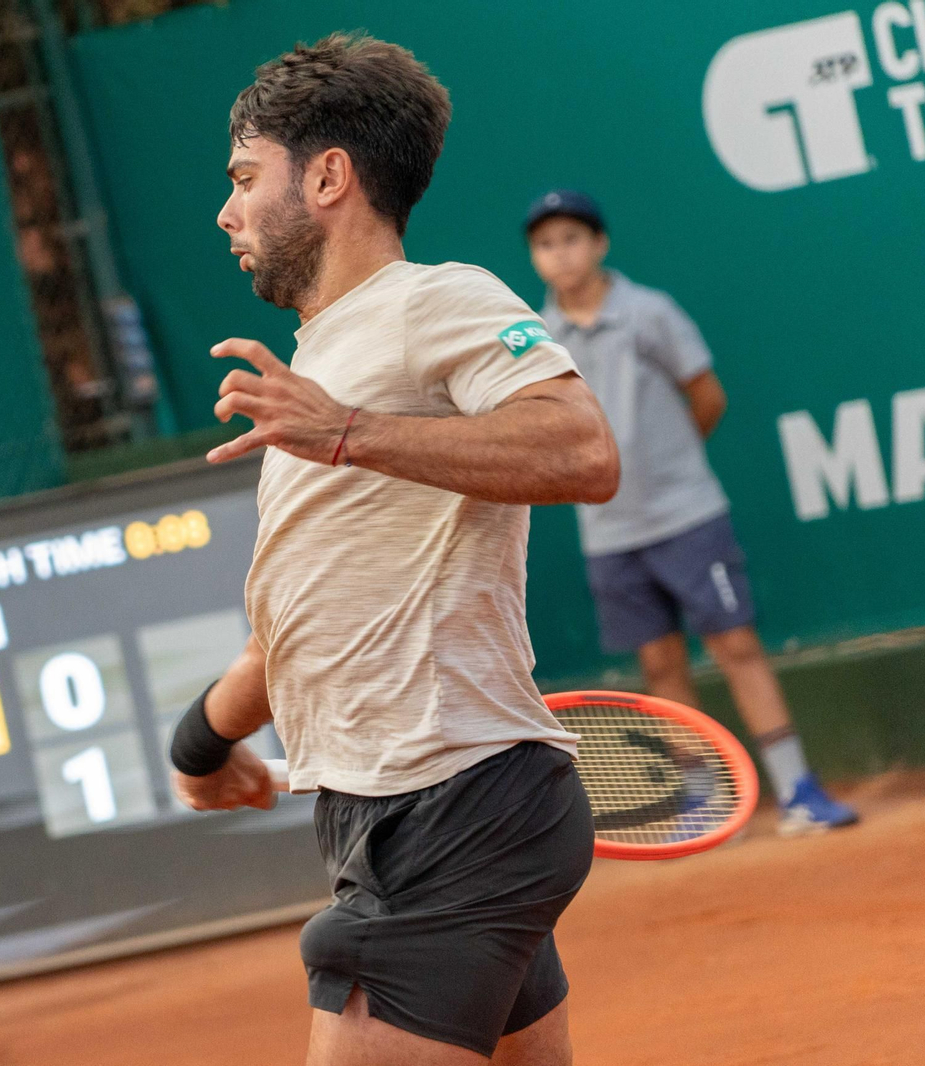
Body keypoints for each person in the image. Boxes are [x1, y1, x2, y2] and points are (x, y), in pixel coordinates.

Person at [169, 34, 620, 1066]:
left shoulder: (432, 302)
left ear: (327, 176)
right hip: (405, 812)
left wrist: (345, 432)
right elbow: (300, 628)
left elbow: (583, 449)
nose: (226, 212)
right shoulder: (320, 366)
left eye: (244, 177)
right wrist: (200, 744)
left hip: (449, 807)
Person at [525, 190, 858, 836]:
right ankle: (702, 801)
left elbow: (707, 396)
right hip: (609, 534)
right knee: (659, 667)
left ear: (600, 244)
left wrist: (668, 467)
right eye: (544, 244)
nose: (559, 254)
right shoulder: (536, 339)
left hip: (687, 516)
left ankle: (797, 788)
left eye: (571, 238)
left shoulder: (650, 313)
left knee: (736, 643)